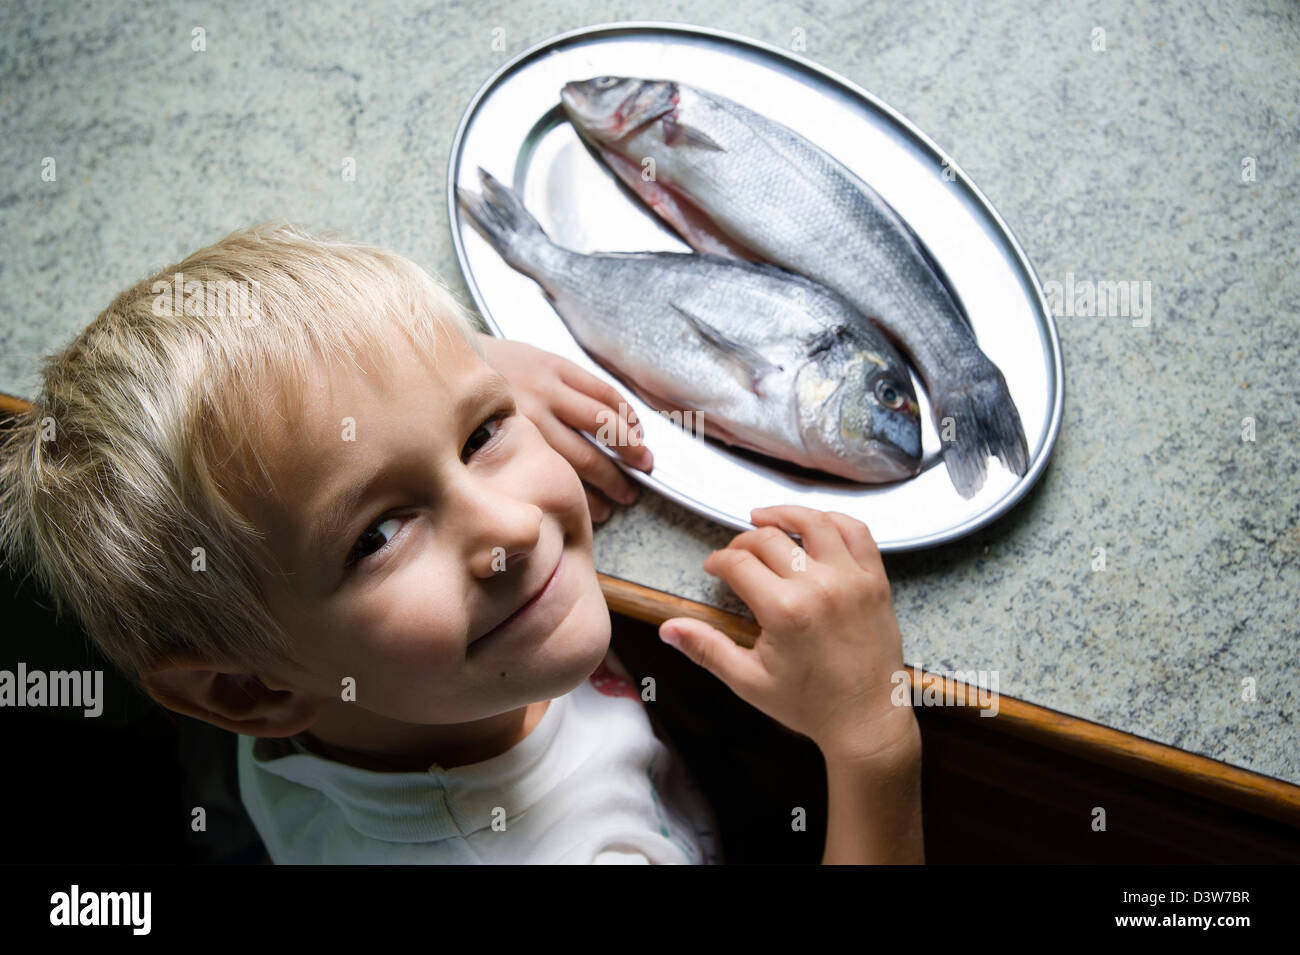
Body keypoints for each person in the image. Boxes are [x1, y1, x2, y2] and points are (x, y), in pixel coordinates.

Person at [0, 222, 922, 864]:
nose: (512, 525)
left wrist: (445, 370)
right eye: (379, 534)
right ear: (246, 688)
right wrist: (871, 745)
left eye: (483, 433)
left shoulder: (318, 687)